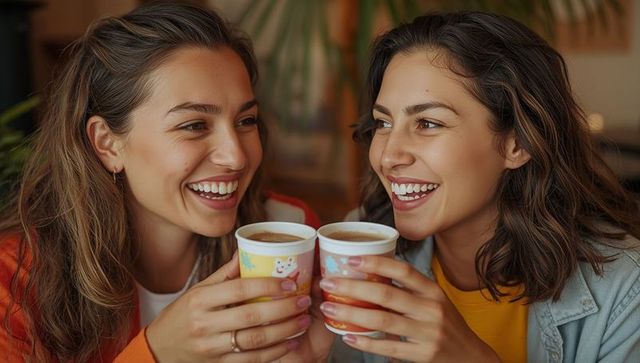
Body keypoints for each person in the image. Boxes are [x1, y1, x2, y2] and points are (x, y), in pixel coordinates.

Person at [0, 2, 327, 362]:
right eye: (194, 125)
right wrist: (155, 353)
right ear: (107, 144)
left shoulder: (291, 233)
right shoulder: (12, 283)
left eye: (246, 121)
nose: (236, 156)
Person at [320, 11, 640, 363]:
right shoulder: (358, 248)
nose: (387, 155)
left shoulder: (624, 289)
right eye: (383, 122)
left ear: (517, 144)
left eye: (427, 123)